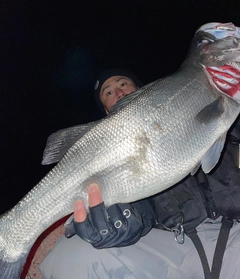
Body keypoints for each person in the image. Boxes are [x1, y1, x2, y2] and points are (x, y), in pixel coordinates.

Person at [39, 69, 240, 279]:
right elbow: (141, 212)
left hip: (235, 232)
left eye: (123, 83)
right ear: (107, 113)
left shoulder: (207, 108)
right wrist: (123, 224)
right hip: (170, 249)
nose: (117, 92)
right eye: (108, 93)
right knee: (69, 259)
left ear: (143, 90)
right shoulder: (107, 155)